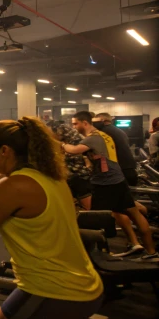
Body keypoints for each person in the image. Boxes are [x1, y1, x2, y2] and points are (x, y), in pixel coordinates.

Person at [0, 117, 103, 319]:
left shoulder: (14, 186)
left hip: (55, 292)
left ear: (4, 150)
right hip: (85, 284)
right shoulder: (49, 176)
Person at [63, 111, 156, 259]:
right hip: (116, 178)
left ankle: (103, 255)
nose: (74, 127)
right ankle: (145, 248)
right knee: (126, 212)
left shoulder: (93, 137)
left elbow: (73, 150)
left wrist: (60, 144)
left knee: (97, 218)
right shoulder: (103, 135)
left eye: (75, 123)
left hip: (106, 182)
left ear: (85, 123)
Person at [48, 122, 93, 210]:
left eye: (51, 133)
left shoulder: (76, 141)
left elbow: (76, 162)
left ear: (59, 132)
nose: (50, 136)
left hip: (80, 177)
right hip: (72, 177)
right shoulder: (66, 141)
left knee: (87, 206)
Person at [93, 113, 138, 186]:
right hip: (129, 167)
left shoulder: (104, 132)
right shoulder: (119, 131)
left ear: (102, 120)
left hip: (120, 169)